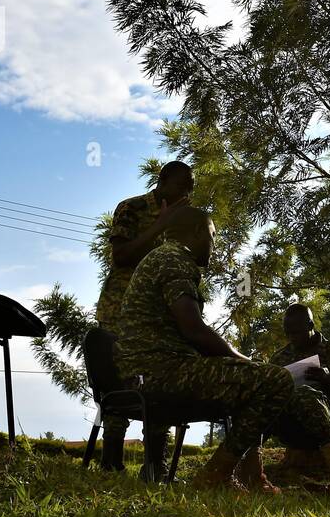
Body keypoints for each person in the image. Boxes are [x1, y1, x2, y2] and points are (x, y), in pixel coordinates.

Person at [117, 205, 292, 492]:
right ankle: (216, 475)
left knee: (249, 382)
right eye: (213, 237)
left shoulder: (162, 257)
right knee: (274, 380)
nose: (214, 246)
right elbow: (194, 330)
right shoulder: (174, 258)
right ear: (198, 232)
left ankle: (251, 475)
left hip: (152, 372)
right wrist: (245, 362)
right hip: (160, 374)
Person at [95, 161, 199, 471]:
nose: (187, 192)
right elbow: (122, 256)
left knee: (160, 382)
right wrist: (160, 225)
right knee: (115, 382)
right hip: (120, 310)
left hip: (162, 315)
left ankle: (156, 463)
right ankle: (111, 460)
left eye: (191, 186)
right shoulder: (132, 208)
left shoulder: (185, 219)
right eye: (182, 184)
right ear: (163, 180)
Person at [252, 304, 330, 496]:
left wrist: (329, 382)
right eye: (288, 333)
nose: (292, 338)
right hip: (292, 425)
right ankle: (248, 468)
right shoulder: (280, 357)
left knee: (305, 394)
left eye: (296, 332)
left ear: (310, 325)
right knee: (259, 401)